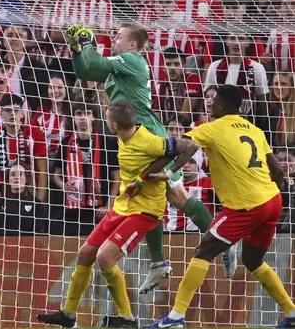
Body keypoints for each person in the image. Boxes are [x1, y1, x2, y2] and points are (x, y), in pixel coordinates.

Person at [64, 22, 236, 294]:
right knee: (150, 200)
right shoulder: (118, 66)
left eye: (119, 37)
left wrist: (87, 43)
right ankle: (158, 262)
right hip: (133, 140)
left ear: (132, 44)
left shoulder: (131, 59)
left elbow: (94, 58)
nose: (114, 39)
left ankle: (223, 242)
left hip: (147, 136)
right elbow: (86, 68)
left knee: (177, 197)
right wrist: (76, 48)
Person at [37, 100, 199, 328]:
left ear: (113, 124)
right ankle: (68, 313)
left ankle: (127, 318)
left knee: (105, 257)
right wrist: (142, 178)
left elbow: (189, 147)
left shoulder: (146, 140)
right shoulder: (124, 138)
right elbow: (161, 156)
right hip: (123, 205)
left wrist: (168, 173)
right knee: (85, 254)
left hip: (144, 211)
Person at [147, 85, 295, 329]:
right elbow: (278, 170)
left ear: (223, 106)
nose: (209, 104)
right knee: (252, 259)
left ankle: (175, 317)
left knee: (204, 250)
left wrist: (169, 172)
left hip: (248, 205)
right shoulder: (255, 129)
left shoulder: (211, 128)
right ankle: (291, 314)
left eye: (213, 100)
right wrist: (270, 197)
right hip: (272, 200)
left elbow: (187, 147)